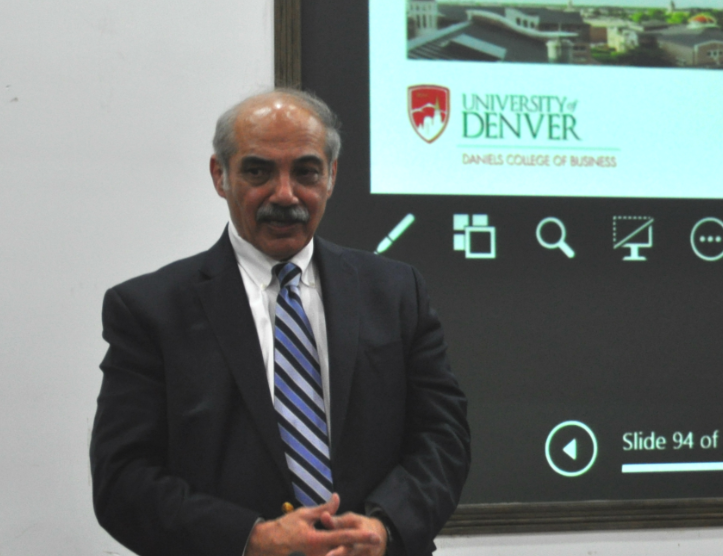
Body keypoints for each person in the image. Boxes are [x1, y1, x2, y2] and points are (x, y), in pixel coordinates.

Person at [90, 89, 470, 556]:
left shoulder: (395, 292)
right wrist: (253, 539)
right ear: (220, 175)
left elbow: (443, 439)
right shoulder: (150, 310)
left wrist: (384, 528)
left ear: (331, 176)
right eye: (258, 171)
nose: (285, 194)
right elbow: (122, 480)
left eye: (306, 172)